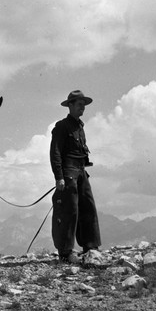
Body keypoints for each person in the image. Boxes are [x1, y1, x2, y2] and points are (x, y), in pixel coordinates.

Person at [49, 90, 101, 264]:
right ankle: (66, 252)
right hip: (68, 173)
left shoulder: (80, 126)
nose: (82, 108)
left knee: (88, 206)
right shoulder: (61, 127)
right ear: (70, 105)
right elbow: (55, 153)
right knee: (69, 211)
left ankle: (90, 247)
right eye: (79, 105)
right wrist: (59, 177)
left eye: (84, 106)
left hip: (81, 171)